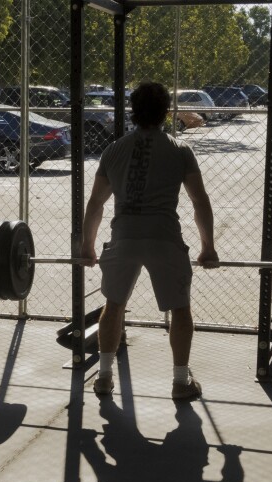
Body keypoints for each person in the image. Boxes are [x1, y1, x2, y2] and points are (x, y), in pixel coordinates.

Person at [80, 81, 218, 400]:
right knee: (180, 309)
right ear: (167, 112)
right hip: (164, 239)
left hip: (124, 237)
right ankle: (181, 382)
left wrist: (87, 246)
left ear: (133, 111)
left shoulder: (113, 150)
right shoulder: (180, 150)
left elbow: (96, 203)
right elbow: (200, 202)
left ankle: (103, 377)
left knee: (114, 306)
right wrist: (207, 248)